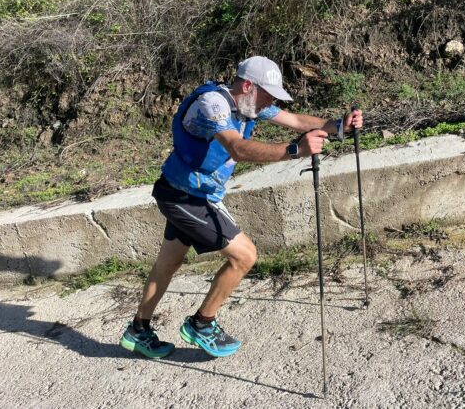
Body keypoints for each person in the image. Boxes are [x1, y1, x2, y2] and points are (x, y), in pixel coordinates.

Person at [119, 56, 363, 359]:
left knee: (168, 264)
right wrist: (294, 150)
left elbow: (297, 121)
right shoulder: (214, 105)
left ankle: (138, 330)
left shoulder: (249, 104)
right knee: (244, 256)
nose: (270, 102)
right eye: (268, 95)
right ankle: (201, 324)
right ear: (248, 85)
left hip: (186, 192)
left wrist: (338, 125)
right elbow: (238, 148)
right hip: (187, 198)